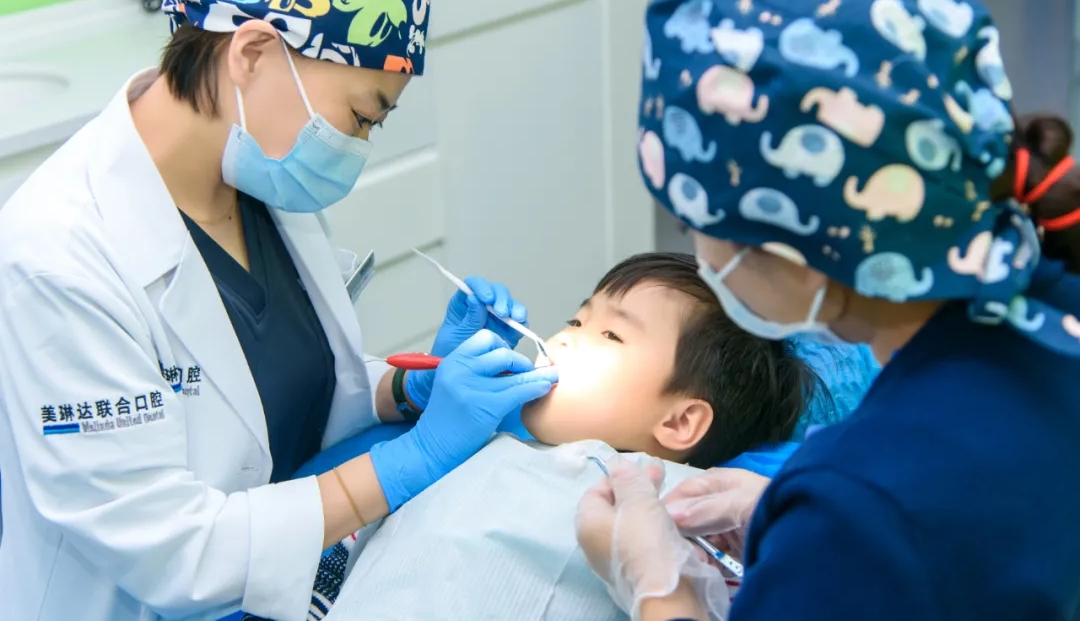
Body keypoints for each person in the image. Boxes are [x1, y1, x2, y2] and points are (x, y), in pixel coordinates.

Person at [0, 0, 558, 621]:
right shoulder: (61, 257)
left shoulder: (258, 173)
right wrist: (412, 458)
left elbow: (263, 402)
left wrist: (405, 389)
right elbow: (175, 551)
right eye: (362, 116)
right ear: (254, 53)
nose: (357, 146)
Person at [576, 0, 1080, 621]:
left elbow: (898, 516)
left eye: (696, 224)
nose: (699, 255)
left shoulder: (856, 510)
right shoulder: (1054, 298)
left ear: (792, 247)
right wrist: (780, 511)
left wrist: (661, 588)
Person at [312, 252, 816, 620]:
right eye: (577, 319)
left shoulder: (667, 499)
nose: (566, 336)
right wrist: (419, 407)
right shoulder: (478, 441)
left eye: (611, 334)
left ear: (679, 423)